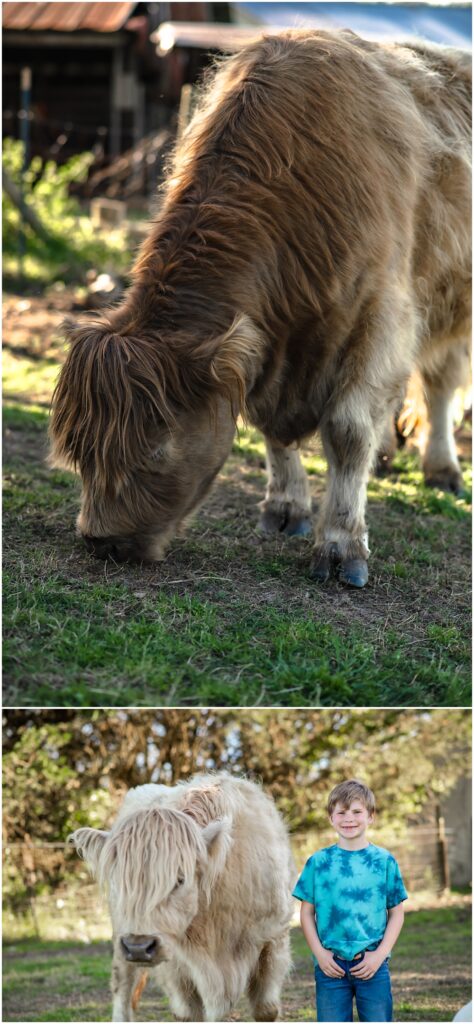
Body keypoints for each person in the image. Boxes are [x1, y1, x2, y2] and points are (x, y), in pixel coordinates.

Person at [293, 779, 407, 1022]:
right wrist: (320, 954)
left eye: (357, 812)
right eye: (341, 812)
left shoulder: (384, 861)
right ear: (330, 818)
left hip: (372, 963)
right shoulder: (318, 862)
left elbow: (397, 912)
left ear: (371, 816)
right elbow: (306, 913)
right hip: (330, 966)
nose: (349, 819)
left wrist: (380, 955)